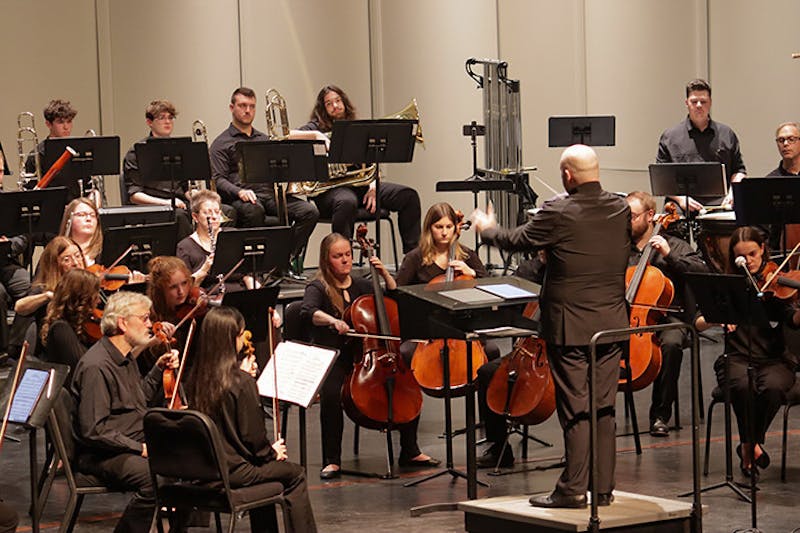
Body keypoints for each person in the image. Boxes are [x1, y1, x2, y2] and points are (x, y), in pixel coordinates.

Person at [472, 144, 630, 509]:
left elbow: (517, 241)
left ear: (567, 175)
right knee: (603, 407)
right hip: (611, 324)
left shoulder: (557, 211)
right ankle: (602, 489)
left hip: (570, 326)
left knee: (576, 408)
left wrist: (488, 227)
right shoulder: (619, 207)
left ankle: (573, 488)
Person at [300, 233, 438, 479]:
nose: (345, 260)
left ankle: (410, 450)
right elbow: (308, 312)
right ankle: (331, 460)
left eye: (348, 255)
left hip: (366, 354)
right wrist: (333, 320)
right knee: (332, 394)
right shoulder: (318, 286)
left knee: (406, 382)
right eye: (338, 256)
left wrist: (384, 274)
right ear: (326, 259)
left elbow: (396, 299)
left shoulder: (362, 283)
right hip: (336, 356)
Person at [187, 306, 317, 533]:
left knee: (266, 468)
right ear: (232, 339)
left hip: (206, 471)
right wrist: (272, 452)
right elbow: (253, 439)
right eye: (241, 334)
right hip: (235, 474)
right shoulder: (242, 383)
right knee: (295, 474)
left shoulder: (195, 379)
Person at [70, 291, 178, 533]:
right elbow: (94, 430)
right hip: (103, 454)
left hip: (131, 440)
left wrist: (158, 372)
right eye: (144, 318)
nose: (150, 324)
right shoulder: (96, 366)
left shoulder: (125, 357)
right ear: (122, 323)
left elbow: (139, 401)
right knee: (154, 480)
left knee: (195, 460)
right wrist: (138, 448)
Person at [697, 226, 798, 480]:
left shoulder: (777, 281)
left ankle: (747, 445)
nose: (749, 261)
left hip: (775, 360)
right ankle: (752, 447)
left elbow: (794, 320)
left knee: (773, 388)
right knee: (742, 386)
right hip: (737, 357)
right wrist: (715, 319)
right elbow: (697, 321)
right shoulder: (728, 285)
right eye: (742, 256)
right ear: (734, 257)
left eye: (753, 254)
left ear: (763, 249)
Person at [298, 85, 422, 254]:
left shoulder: (357, 128)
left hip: (361, 187)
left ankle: (413, 256)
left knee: (408, 196)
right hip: (330, 191)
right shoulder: (316, 127)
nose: (335, 106)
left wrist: (372, 186)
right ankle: (342, 257)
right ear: (322, 109)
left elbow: (371, 164)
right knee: (347, 202)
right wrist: (317, 136)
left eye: (338, 101)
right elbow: (287, 134)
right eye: (329, 103)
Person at [625, 191, 707, 437]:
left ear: (650, 216)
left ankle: (660, 414)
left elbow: (700, 271)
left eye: (632, 216)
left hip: (672, 318)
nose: (626, 222)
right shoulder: (621, 249)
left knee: (671, 344)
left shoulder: (675, 244)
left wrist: (669, 255)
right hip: (631, 316)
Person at [209, 87, 319, 267]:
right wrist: (239, 192)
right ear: (231, 108)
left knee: (309, 212)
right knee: (254, 211)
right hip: (242, 198)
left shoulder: (264, 139)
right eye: (243, 105)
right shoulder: (221, 143)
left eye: (252, 106)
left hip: (269, 195)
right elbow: (218, 179)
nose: (247, 111)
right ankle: (257, 268)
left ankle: (283, 259)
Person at [656, 79, 747, 212]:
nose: (699, 105)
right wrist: (682, 199)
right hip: (683, 203)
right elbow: (661, 179)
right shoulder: (669, 137)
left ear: (710, 103)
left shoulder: (727, 134)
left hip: (721, 203)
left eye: (703, 101)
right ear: (687, 103)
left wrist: (733, 192)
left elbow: (739, 171)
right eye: (694, 101)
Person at [121, 100, 193, 240]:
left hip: (180, 203)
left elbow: (185, 187)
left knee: (222, 211)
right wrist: (167, 203)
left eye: (170, 118)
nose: (167, 122)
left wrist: (198, 198)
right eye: (161, 118)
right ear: (149, 122)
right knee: (179, 216)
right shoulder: (137, 152)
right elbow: (134, 196)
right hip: (154, 206)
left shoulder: (179, 148)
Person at [10, 237, 85, 358]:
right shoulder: (43, 289)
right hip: (57, 351)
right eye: (67, 260)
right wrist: (47, 296)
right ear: (55, 264)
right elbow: (20, 306)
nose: (76, 263)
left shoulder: (87, 283)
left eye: (77, 256)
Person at [39, 268, 100, 373]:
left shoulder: (82, 325)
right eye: (95, 295)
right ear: (82, 297)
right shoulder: (61, 328)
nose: (98, 300)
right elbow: (83, 367)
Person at [25, 99, 84, 200]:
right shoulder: (37, 155)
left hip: (77, 208)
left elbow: (88, 185)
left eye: (69, 122)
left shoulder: (79, 150)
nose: (66, 127)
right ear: (48, 124)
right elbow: (31, 191)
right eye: (60, 122)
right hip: (50, 209)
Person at [59, 198, 102, 267]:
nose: (88, 219)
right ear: (69, 219)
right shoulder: (56, 251)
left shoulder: (105, 250)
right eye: (82, 215)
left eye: (92, 215)